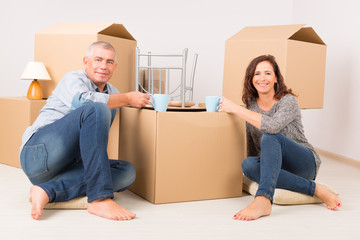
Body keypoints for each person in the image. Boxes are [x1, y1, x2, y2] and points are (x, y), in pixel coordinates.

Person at [19, 41, 150, 221]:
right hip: (37, 154)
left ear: (115, 66)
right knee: (96, 107)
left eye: (109, 62)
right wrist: (127, 98)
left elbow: (93, 141)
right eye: (98, 60)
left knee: (126, 171)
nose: (104, 66)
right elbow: (83, 102)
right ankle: (99, 197)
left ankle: (47, 190)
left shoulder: (113, 93)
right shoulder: (73, 79)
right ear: (86, 61)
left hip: (67, 166)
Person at [218, 54, 342, 221]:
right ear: (251, 79)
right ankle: (316, 189)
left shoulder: (288, 101)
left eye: (268, 73)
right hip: (277, 165)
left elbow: (272, 126)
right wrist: (258, 166)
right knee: (248, 164)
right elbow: (252, 143)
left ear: (276, 78)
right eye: (257, 73)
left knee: (270, 136)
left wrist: (235, 108)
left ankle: (263, 199)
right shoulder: (251, 105)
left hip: (304, 163)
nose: (262, 78)